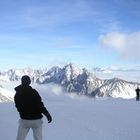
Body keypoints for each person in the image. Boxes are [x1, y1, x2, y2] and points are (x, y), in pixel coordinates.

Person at [14, 75, 52, 140]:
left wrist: (23, 113)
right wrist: (47, 114)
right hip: (36, 120)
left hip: (24, 120)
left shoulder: (17, 94)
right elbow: (40, 105)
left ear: (21, 82)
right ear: (29, 82)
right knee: (38, 138)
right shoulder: (34, 92)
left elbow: (18, 106)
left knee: (20, 138)